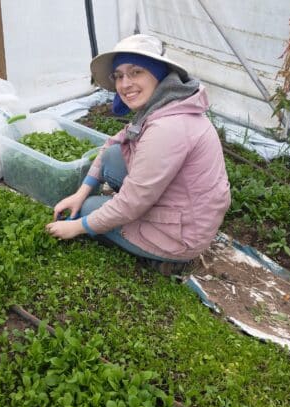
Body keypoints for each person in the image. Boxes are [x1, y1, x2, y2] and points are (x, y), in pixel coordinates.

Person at [45, 33, 231, 270]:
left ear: (159, 75)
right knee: (113, 157)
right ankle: (118, 211)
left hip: (182, 235)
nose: (124, 84)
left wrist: (76, 227)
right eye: (119, 75)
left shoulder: (168, 127)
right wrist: (80, 193)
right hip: (182, 208)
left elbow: (132, 203)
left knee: (90, 209)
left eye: (136, 72)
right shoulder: (164, 105)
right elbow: (113, 143)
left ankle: (167, 259)